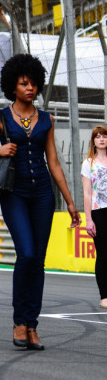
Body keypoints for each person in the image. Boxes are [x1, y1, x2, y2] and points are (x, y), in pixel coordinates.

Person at [0, 53, 80, 350]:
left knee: (39, 262)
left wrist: (70, 202)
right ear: (13, 87)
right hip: (14, 194)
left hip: (44, 193)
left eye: (33, 83)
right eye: (23, 83)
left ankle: (32, 325)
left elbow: (54, 163)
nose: (29, 88)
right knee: (27, 255)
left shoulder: (46, 119)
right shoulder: (0, 117)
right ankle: (19, 322)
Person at [81, 126, 107, 309]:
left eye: (104, 136)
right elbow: (87, 193)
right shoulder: (88, 163)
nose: (102, 139)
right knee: (104, 254)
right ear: (93, 141)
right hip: (99, 212)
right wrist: (89, 219)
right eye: (98, 137)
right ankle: (104, 296)